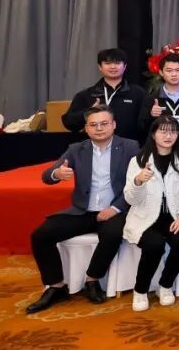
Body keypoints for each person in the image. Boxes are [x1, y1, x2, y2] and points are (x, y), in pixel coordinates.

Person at [27, 107, 140, 314]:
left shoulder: (130, 147)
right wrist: (57, 173)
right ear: (86, 129)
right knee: (41, 235)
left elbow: (137, 184)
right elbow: (46, 176)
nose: (99, 129)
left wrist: (115, 208)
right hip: (83, 210)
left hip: (114, 209)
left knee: (113, 233)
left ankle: (92, 279)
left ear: (114, 125)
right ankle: (56, 286)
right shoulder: (76, 149)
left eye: (104, 123)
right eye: (93, 125)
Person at [123, 115, 179, 312]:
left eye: (173, 131)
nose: (168, 136)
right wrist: (138, 182)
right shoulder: (138, 161)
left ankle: (165, 285)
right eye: (163, 131)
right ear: (153, 134)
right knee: (154, 245)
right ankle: (140, 290)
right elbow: (130, 199)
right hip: (146, 217)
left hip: (176, 216)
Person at [62, 48, 147, 142]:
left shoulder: (138, 93)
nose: (113, 67)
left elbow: (145, 126)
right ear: (100, 67)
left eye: (117, 63)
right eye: (108, 63)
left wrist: (152, 115)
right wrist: (88, 112)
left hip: (129, 147)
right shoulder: (86, 95)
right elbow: (69, 123)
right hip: (94, 147)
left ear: (125, 66)